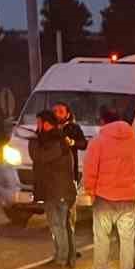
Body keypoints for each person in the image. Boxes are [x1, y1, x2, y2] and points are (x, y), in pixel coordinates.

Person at [80, 105, 135, 269]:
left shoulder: (98, 142)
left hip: (104, 197)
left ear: (103, 121)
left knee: (101, 236)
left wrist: (90, 190)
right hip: (128, 199)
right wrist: (134, 187)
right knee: (127, 238)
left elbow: (90, 170)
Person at [29, 112, 78, 266]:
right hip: (57, 190)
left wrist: (34, 142)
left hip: (57, 191)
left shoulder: (56, 143)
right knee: (62, 226)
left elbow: (40, 157)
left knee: (58, 226)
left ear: (46, 124)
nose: (37, 126)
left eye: (39, 123)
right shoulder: (60, 141)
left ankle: (62, 258)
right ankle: (66, 257)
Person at [52, 100, 87, 239]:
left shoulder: (73, 128)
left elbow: (84, 144)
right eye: (55, 111)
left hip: (69, 174)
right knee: (55, 213)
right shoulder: (50, 128)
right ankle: (60, 247)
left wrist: (72, 142)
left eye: (61, 111)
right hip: (53, 175)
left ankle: (70, 246)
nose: (57, 114)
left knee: (70, 212)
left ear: (68, 113)